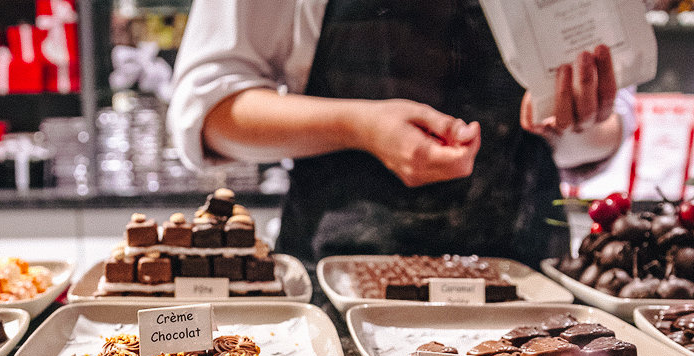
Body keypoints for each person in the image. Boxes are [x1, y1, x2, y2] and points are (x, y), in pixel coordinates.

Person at [166, 0, 636, 269]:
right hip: (343, 275)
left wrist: (575, 119)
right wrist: (358, 126)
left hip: (528, 281)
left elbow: (605, 136)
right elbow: (208, 113)